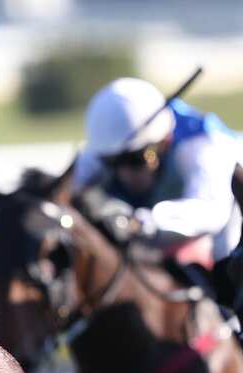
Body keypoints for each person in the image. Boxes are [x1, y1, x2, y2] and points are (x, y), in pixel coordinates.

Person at [75, 78, 242, 292]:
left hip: (224, 226)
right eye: (113, 163)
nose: (125, 174)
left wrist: (139, 223)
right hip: (163, 236)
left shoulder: (204, 147)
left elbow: (211, 212)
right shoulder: (111, 143)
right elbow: (64, 190)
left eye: (137, 159)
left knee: (228, 266)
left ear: (165, 141)